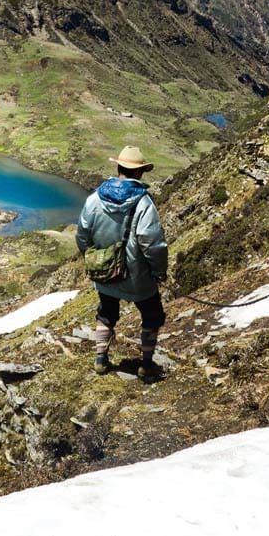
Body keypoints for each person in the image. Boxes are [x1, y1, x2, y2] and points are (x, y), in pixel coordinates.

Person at [76, 144, 168, 382]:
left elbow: (83, 235)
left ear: (118, 168)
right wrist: (159, 271)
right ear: (139, 173)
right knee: (152, 315)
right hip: (138, 277)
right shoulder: (143, 203)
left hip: (105, 272)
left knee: (106, 312)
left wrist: (95, 258)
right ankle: (146, 365)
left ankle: (100, 359)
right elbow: (152, 243)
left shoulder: (94, 198)